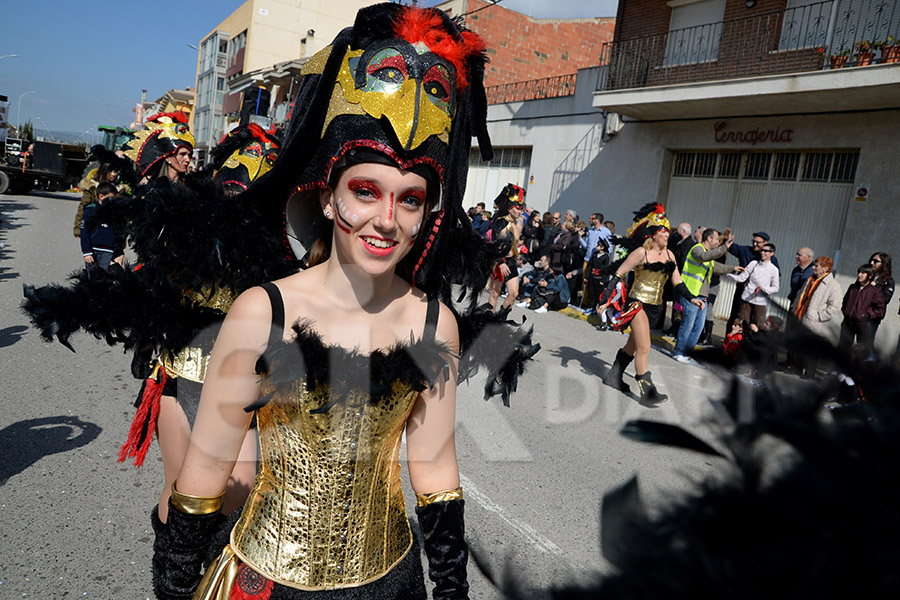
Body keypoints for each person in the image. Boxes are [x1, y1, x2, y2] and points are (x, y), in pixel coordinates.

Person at [150, 6, 536, 599]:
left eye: (410, 200)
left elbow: (431, 466)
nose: (388, 220)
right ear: (328, 198)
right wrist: (176, 586)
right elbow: (204, 471)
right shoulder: (262, 312)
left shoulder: (436, 324)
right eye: (366, 190)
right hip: (268, 581)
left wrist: (452, 589)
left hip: (392, 581)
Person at [598, 203, 703, 404]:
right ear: (654, 234)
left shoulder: (670, 255)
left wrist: (692, 298)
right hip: (636, 303)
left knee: (633, 344)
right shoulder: (641, 253)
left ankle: (613, 376)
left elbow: (678, 283)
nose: (667, 235)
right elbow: (617, 275)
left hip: (656, 306)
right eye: (663, 232)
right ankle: (647, 392)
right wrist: (604, 301)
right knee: (644, 347)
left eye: (668, 232)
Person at [672, 228, 741, 362]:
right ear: (709, 239)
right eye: (716, 240)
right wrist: (725, 247)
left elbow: (716, 267)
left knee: (697, 328)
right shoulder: (697, 250)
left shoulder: (707, 254)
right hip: (691, 293)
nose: (717, 243)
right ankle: (678, 351)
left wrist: (733, 268)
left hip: (702, 295)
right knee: (688, 325)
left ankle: (687, 353)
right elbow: (705, 258)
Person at [794, 256, 842, 376]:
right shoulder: (810, 279)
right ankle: (797, 368)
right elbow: (801, 295)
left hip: (814, 322)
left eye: (817, 266)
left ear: (825, 269)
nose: (813, 267)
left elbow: (835, 307)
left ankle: (809, 374)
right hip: (801, 317)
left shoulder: (833, 285)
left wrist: (817, 316)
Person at [73, 146, 135, 238]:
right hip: (94, 229)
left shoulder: (120, 190)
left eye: (116, 171)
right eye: (111, 171)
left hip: (112, 232)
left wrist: (122, 237)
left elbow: (123, 216)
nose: (114, 174)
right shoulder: (92, 188)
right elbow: (83, 208)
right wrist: (78, 229)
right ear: (104, 170)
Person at [726, 230, 781, 331]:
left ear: (766, 243)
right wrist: (726, 239)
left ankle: (751, 343)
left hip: (760, 297)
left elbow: (775, 282)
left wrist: (764, 288)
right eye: (753, 241)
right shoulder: (747, 252)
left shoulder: (773, 262)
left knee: (756, 322)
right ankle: (731, 341)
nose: (755, 244)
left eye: (758, 242)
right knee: (738, 317)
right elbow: (732, 247)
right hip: (744, 292)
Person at [124, 112, 194, 185]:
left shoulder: (191, 186)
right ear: (168, 158)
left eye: (190, 155)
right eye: (183, 154)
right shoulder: (148, 183)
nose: (188, 160)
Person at [488, 183, 526, 312]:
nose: (520, 211)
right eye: (518, 208)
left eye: (522, 208)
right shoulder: (500, 223)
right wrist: (500, 262)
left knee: (513, 294)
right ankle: (490, 320)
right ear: (510, 209)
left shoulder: (519, 222)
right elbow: (496, 245)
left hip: (511, 262)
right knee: (495, 292)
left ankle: (501, 317)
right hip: (500, 261)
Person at [840, 263, 886, 359]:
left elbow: (881, 310)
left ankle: (856, 372)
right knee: (843, 347)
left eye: (863, 273)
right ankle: (840, 370)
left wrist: (866, 315)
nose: (859, 275)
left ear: (870, 276)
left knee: (861, 351)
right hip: (847, 323)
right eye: (859, 272)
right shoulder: (853, 287)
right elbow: (845, 302)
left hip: (863, 324)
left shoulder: (874, 291)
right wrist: (846, 312)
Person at [79, 182, 125, 270]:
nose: (113, 201)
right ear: (101, 196)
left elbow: (118, 231)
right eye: (111, 198)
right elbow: (84, 232)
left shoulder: (114, 212)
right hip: (93, 249)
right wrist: (87, 252)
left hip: (108, 251)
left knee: (105, 276)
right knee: (92, 277)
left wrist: (118, 251)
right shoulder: (90, 211)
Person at [868, 252, 894, 337]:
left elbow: (885, 300)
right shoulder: (867, 276)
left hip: (871, 318)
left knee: (865, 344)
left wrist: (876, 287)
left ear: (884, 264)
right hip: (856, 315)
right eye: (871, 260)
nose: (872, 263)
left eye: (875, 261)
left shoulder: (889, 281)